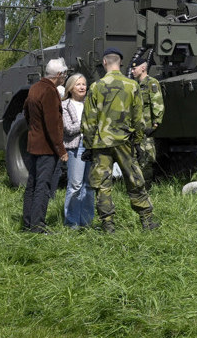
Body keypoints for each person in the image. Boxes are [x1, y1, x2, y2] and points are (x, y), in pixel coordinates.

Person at [84, 48, 159, 232]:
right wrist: (137, 141)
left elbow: (88, 121)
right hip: (125, 142)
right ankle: (147, 221)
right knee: (135, 180)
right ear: (120, 63)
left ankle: (108, 225)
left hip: (101, 144)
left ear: (104, 63)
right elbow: (139, 119)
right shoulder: (131, 86)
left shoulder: (95, 87)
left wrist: (88, 145)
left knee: (102, 185)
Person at [21, 58, 68, 233]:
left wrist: (34, 130)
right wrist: (61, 150)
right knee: (43, 186)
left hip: (33, 145)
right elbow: (52, 124)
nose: (64, 77)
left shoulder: (35, 88)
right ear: (59, 75)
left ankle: (28, 222)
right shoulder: (49, 91)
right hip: (47, 148)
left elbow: (26, 111)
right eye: (64, 74)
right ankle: (38, 225)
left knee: (32, 185)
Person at [62, 72, 95, 228]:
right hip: (76, 147)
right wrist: (87, 123)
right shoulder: (65, 105)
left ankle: (86, 222)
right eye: (78, 84)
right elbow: (68, 129)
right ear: (70, 87)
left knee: (89, 186)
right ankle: (72, 223)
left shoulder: (90, 103)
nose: (82, 87)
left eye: (84, 84)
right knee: (75, 185)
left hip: (91, 145)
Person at [129, 52, 164, 171]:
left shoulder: (151, 83)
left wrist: (155, 124)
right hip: (137, 129)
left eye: (134, 69)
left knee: (147, 160)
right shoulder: (135, 85)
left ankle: (146, 188)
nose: (132, 71)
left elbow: (157, 104)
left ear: (143, 68)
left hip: (147, 128)